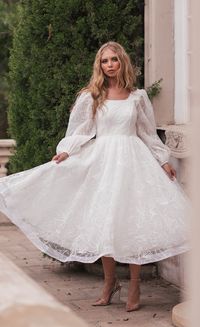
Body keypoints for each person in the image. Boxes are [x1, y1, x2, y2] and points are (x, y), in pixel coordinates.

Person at [0, 41, 189, 312]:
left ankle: (134, 285)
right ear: (99, 66)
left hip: (133, 162)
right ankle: (110, 282)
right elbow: (81, 130)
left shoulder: (138, 97)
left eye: (114, 59)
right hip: (103, 162)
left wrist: (162, 161)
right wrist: (66, 151)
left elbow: (147, 133)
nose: (109, 65)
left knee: (133, 222)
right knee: (104, 223)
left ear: (122, 61)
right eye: (104, 61)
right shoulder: (91, 96)